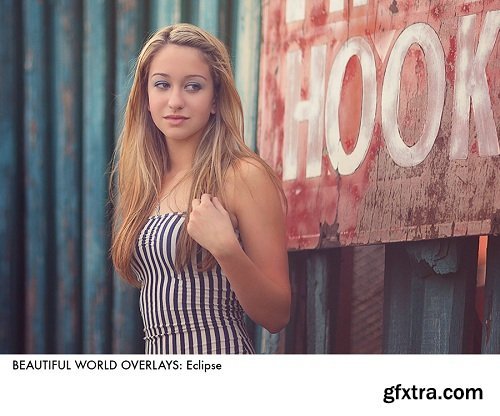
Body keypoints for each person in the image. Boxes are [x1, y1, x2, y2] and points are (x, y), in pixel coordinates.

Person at [110, 23, 290, 354]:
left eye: (193, 86)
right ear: (146, 97)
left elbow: (277, 315)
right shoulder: (146, 182)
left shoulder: (242, 175)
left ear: (214, 100)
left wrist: (226, 249)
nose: (175, 101)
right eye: (162, 85)